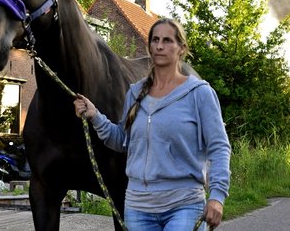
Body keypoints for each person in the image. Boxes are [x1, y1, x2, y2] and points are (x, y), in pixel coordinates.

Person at [74, 18, 231, 230]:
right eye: (155, 40)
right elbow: (122, 141)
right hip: (138, 207)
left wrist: (217, 196)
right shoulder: (135, 93)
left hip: (183, 204)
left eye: (167, 40)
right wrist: (95, 116)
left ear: (181, 48)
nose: (159, 46)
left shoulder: (199, 93)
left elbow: (219, 147)